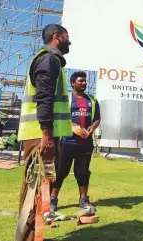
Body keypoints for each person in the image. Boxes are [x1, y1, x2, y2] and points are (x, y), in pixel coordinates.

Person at [15, 23, 72, 241]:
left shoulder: (51, 59)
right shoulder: (48, 59)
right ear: (57, 36)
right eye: (67, 36)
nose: (70, 40)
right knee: (35, 190)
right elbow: (44, 99)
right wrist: (47, 136)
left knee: (38, 189)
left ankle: (31, 237)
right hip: (41, 136)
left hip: (42, 135)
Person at [50, 71, 101, 212]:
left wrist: (92, 127)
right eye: (81, 81)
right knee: (60, 172)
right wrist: (71, 127)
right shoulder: (66, 99)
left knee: (83, 172)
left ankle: (83, 200)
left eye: (85, 81)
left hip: (85, 144)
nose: (84, 83)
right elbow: (58, 116)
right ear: (73, 83)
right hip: (66, 142)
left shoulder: (92, 100)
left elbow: (97, 118)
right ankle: (53, 200)